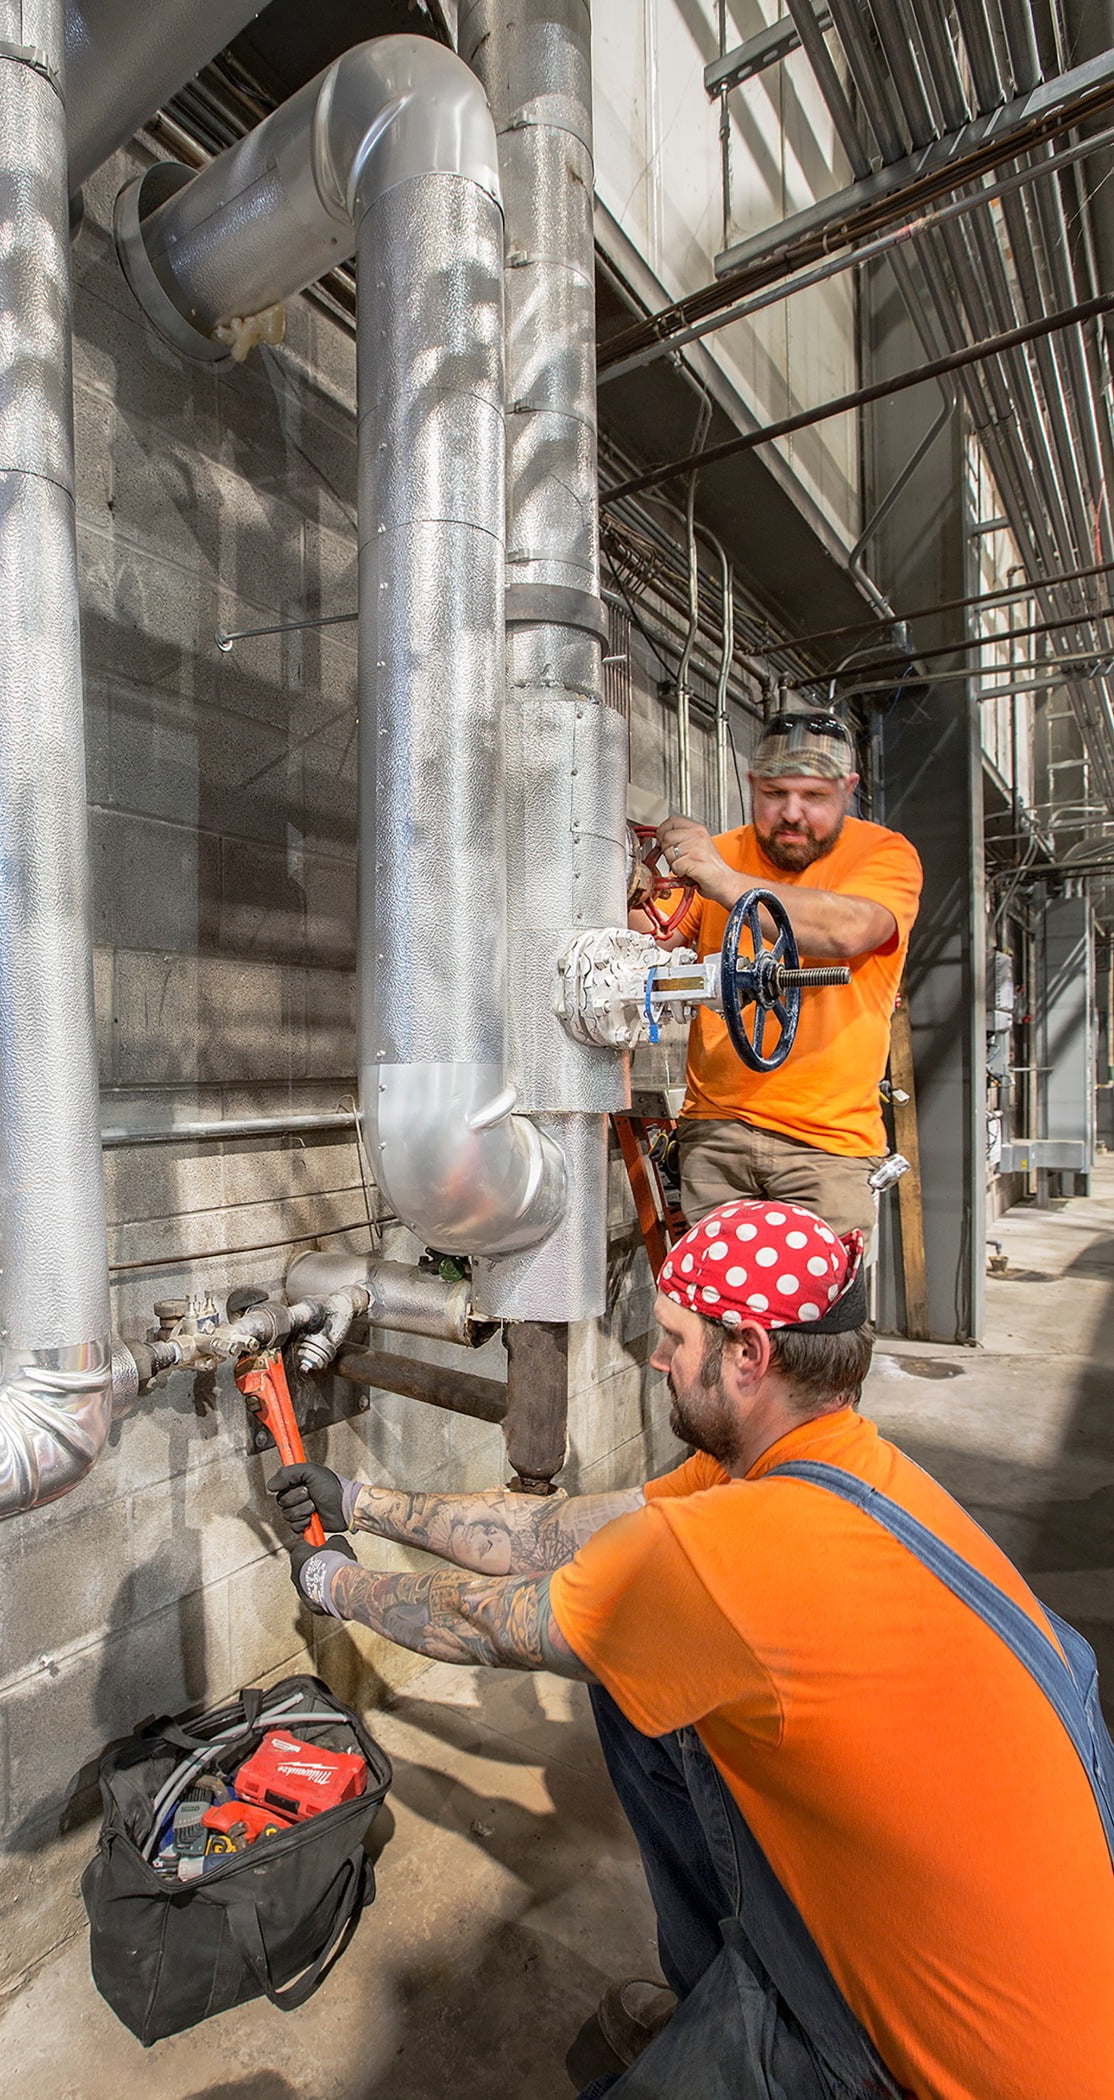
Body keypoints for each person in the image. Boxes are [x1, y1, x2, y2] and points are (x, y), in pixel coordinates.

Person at [270, 1199, 1114, 2100]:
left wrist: (330, 1582)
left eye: (673, 1337)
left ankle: (783, 2039)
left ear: (749, 1354)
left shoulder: (732, 1555)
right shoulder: (827, 1463)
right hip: (1016, 1966)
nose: (656, 1357)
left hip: (938, 2071)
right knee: (638, 1700)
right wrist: (359, 1501)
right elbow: (555, 1532)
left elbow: (486, 1623)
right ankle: (723, 1987)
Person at [645, 709, 922, 1238]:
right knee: (711, 1316)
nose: (792, 813)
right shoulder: (723, 853)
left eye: (814, 796)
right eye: (775, 794)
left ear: (849, 789)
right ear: (753, 785)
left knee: (818, 1316)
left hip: (827, 1148)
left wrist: (723, 881)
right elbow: (653, 933)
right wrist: (622, 876)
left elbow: (847, 931)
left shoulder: (883, 855)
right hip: (715, 1135)